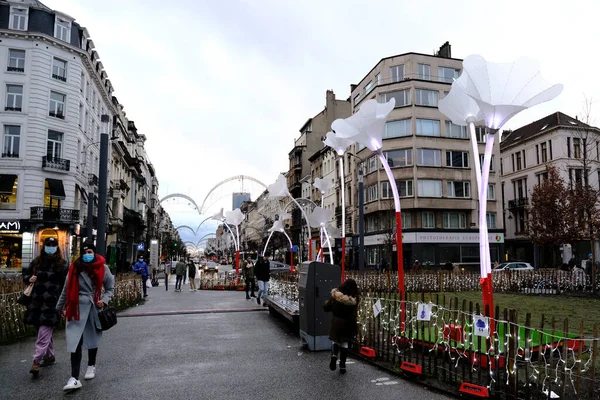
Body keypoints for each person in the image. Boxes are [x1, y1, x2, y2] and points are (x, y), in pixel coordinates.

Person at [56, 240, 114, 392]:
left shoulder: (103, 268)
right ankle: (74, 377)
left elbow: (110, 288)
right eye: (85, 252)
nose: (87, 255)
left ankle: (91, 365)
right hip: (75, 308)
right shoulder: (74, 268)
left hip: (93, 307)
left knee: (92, 338)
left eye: (90, 252)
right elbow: (66, 289)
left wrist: (104, 300)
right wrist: (59, 307)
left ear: (94, 253)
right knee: (75, 342)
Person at [22, 237, 67, 377]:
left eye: (53, 244)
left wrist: (64, 304)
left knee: (43, 332)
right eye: (48, 244)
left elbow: (66, 285)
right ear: (44, 246)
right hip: (36, 302)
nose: (51, 247)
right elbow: (26, 274)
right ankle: (50, 355)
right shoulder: (37, 262)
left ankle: (36, 361)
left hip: (52, 304)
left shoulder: (63, 264)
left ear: (57, 247)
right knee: (42, 331)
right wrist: (29, 279)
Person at [323, 278, 360, 375]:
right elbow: (354, 313)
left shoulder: (336, 296)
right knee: (344, 343)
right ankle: (342, 365)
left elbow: (327, 307)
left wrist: (327, 304)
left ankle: (334, 355)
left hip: (336, 322)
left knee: (336, 341)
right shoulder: (354, 299)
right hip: (348, 323)